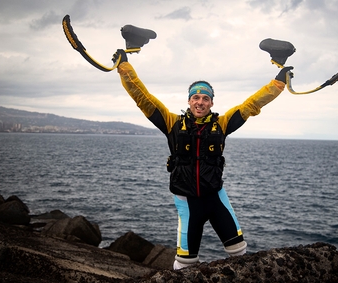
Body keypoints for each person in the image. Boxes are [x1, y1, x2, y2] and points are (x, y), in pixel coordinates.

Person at [113, 49, 293, 270]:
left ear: (211, 103)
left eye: (205, 98)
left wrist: (278, 83)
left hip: (216, 199)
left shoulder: (222, 124)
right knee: (184, 264)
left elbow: (252, 105)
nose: (200, 102)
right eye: (196, 97)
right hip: (187, 203)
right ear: (189, 101)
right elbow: (143, 98)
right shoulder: (172, 124)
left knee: (239, 251)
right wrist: (124, 68)